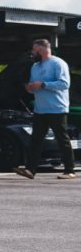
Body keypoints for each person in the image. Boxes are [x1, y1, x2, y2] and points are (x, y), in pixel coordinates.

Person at [14, 39, 75, 179]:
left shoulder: (58, 63)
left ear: (41, 50)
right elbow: (35, 86)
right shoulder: (35, 67)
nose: (32, 53)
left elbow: (65, 84)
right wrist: (30, 88)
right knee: (36, 139)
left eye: (34, 51)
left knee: (62, 139)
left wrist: (42, 85)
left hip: (57, 108)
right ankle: (30, 170)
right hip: (40, 109)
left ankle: (69, 170)